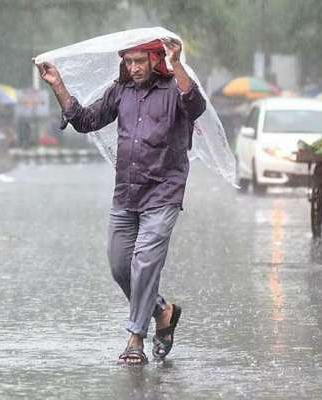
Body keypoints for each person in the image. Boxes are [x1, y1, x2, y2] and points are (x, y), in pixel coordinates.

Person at [36, 37, 206, 365]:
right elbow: (86, 121)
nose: (134, 68)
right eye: (129, 62)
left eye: (140, 61)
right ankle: (164, 312)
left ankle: (135, 339)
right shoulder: (121, 91)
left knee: (144, 262)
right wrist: (59, 85)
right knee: (120, 266)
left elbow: (195, 105)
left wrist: (178, 64)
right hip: (127, 193)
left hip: (163, 192)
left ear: (156, 60)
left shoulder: (175, 90)